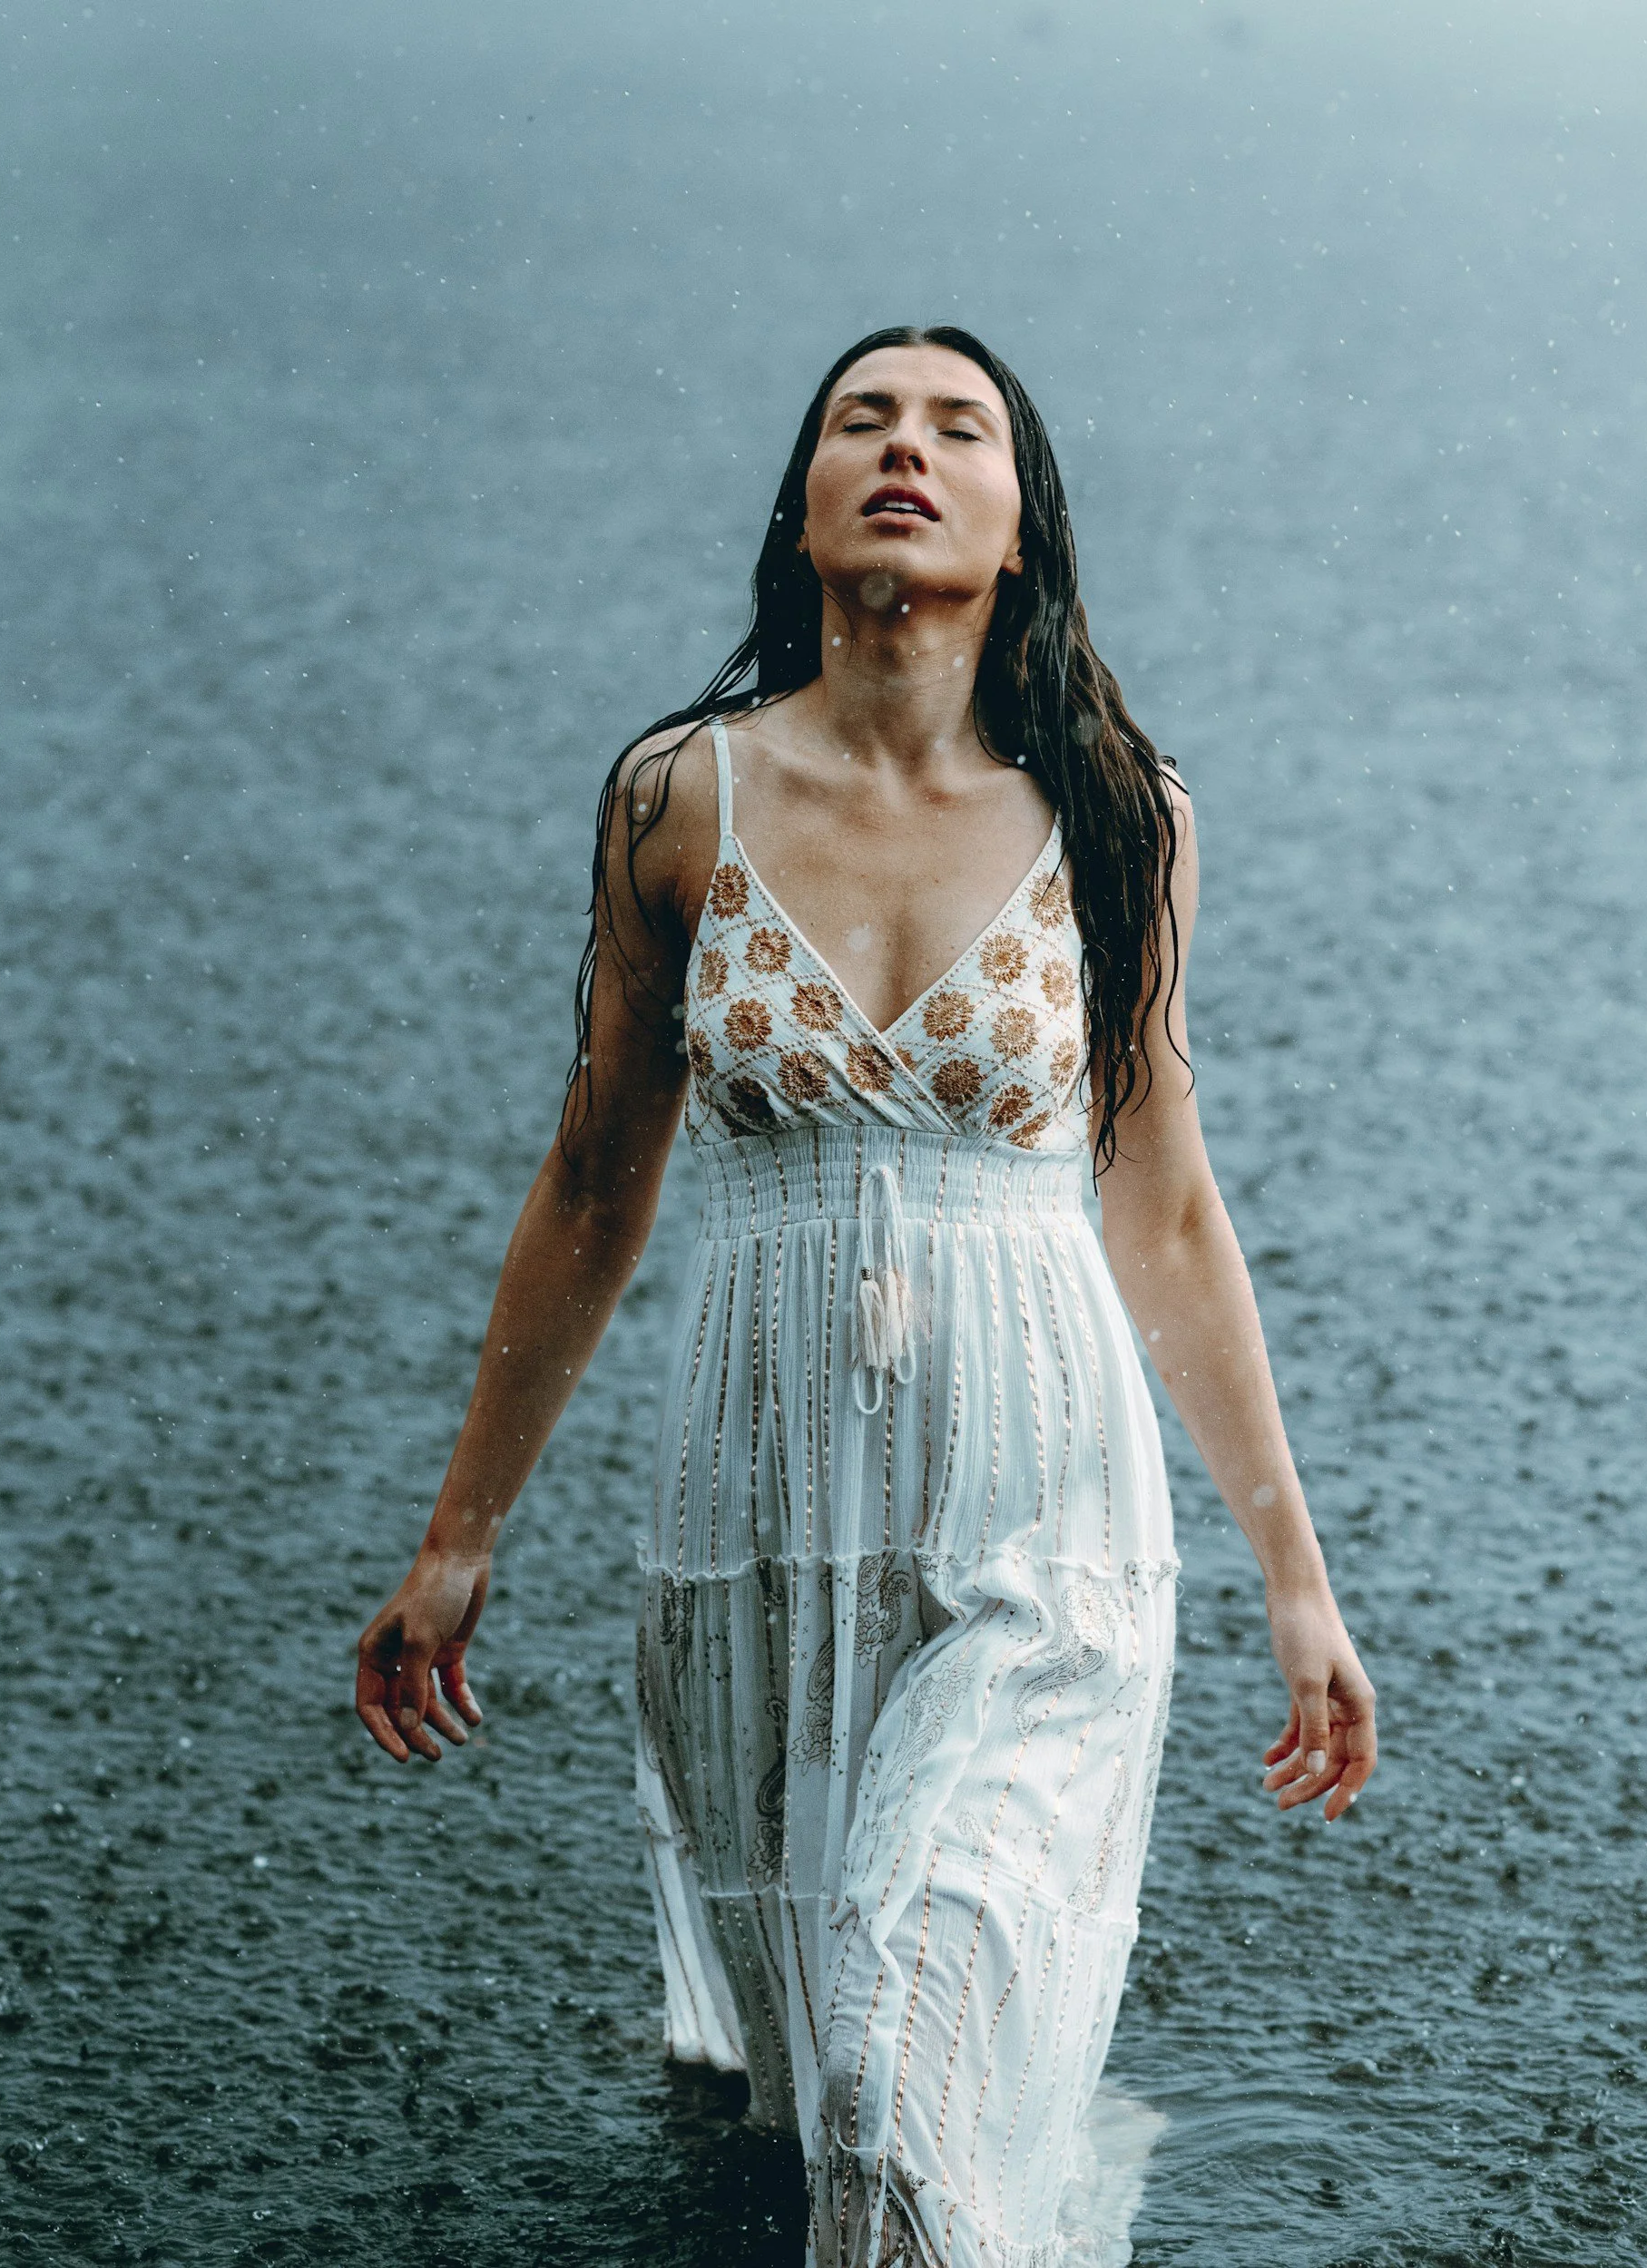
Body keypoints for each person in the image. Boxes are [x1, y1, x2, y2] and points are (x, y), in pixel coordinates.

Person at [355, 323, 1377, 2265]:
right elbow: (592, 1180)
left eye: (957, 425)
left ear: (1017, 521)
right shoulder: (678, 794)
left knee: (905, 2071)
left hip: (1040, 1520)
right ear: (805, 503)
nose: (904, 445)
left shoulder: (1116, 811)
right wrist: (457, 1539)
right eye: (861, 420)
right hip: (759, 1535)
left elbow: (1158, 1195)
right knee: (814, 2093)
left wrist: (1295, 1576)